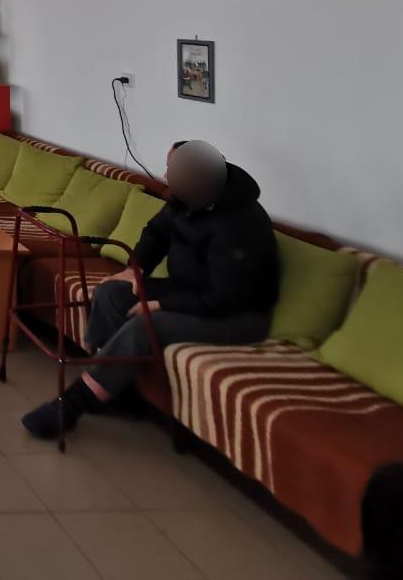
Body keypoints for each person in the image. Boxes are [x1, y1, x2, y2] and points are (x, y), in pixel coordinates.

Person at [21, 140, 279, 439]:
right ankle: (115, 391)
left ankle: (72, 405)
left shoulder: (239, 223)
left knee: (145, 324)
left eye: (174, 170)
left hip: (237, 315)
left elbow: (225, 297)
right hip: (189, 292)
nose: (166, 176)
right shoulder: (190, 197)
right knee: (111, 293)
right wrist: (136, 268)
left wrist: (162, 304)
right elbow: (157, 233)